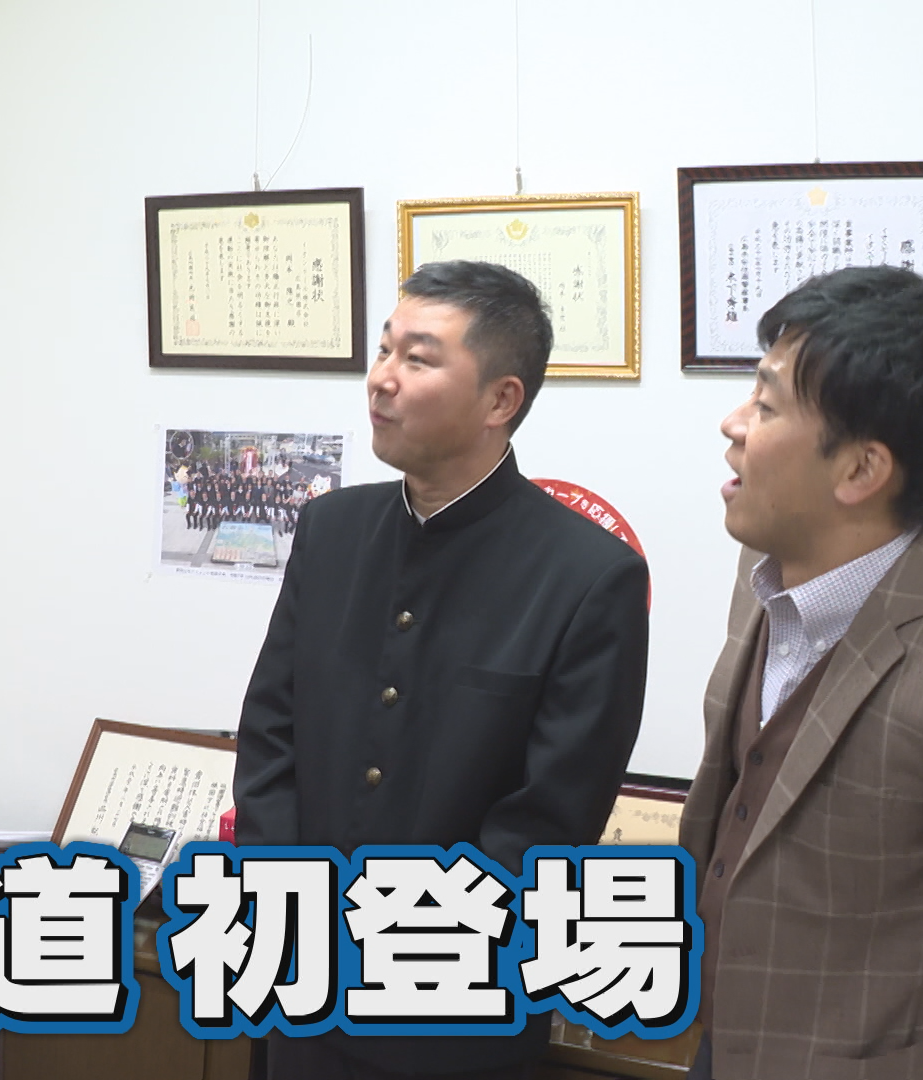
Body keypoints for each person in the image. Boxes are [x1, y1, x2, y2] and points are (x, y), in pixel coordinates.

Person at [234, 260, 650, 1079]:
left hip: (454, 1012)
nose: (382, 379)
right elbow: (270, 737)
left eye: (418, 359)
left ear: (501, 400)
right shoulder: (331, 528)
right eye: (384, 350)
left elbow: (549, 822)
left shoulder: (588, 576)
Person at [681, 265, 923, 1080]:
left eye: (767, 405)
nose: (733, 423)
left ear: (861, 471)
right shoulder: (761, 568)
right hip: (716, 1049)